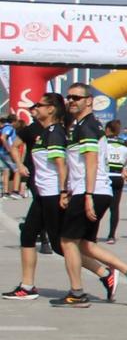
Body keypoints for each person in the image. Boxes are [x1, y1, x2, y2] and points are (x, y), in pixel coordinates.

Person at [52, 84, 127, 308]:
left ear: (89, 101)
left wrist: (86, 195)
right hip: (93, 190)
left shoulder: (87, 127)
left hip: (91, 190)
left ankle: (77, 293)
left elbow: (91, 163)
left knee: (67, 241)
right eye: (69, 97)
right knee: (84, 245)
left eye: (77, 97)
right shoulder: (84, 126)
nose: (71, 101)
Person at [4, 95, 67, 301]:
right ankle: (27, 285)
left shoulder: (56, 132)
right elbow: (13, 145)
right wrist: (19, 165)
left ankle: (108, 272)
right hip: (40, 192)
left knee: (61, 245)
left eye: (39, 105)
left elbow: (61, 165)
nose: (34, 108)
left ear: (51, 109)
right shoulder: (34, 130)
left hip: (52, 194)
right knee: (28, 234)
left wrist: (64, 191)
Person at [101, 119, 127, 242]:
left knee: (99, 207)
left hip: (106, 175)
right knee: (114, 208)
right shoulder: (124, 143)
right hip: (118, 177)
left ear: (107, 129)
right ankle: (111, 235)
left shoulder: (104, 142)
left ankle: (91, 234)